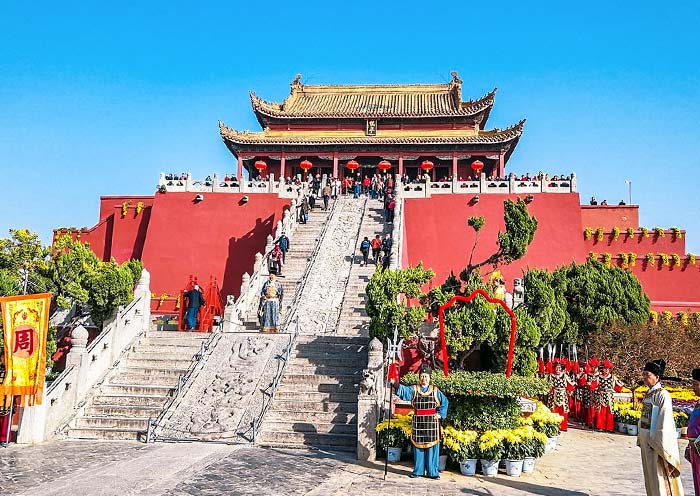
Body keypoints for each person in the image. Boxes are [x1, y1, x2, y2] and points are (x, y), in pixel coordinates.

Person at [392, 364, 448, 479]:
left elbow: (445, 402)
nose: (424, 379)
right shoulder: (414, 389)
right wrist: (395, 384)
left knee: (432, 449)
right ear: (419, 377)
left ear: (430, 377)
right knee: (418, 447)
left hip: (432, 424)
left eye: (426, 376)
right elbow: (404, 391)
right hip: (418, 423)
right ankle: (418, 471)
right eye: (422, 376)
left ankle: (433, 472)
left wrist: (440, 414)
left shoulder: (435, 390)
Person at [638, 359, 684, 496]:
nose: (645, 377)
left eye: (648, 375)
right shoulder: (649, 394)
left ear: (657, 377)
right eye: (644, 374)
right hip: (647, 442)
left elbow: (664, 421)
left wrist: (656, 442)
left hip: (656, 444)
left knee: (659, 478)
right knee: (650, 477)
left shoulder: (662, 395)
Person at [593, 359, 624, 431]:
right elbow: (593, 385)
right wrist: (596, 389)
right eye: (605, 369)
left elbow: (620, 384)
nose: (606, 370)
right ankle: (601, 426)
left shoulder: (613, 377)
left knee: (609, 411)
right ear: (602, 369)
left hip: (610, 396)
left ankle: (609, 427)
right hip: (601, 396)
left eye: (608, 369)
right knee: (601, 411)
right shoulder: (598, 377)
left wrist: (616, 389)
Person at [547, 359, 575, 431]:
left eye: (559, 368)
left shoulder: (565, 375)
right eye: (556, 367)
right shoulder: (551, 376)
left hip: (563, 394)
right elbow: (547, 385)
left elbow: (571, 383)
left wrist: (570, 391)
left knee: (563, 410)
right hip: (554, 394)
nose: (558, 369)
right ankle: (554, 426)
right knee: (553, 410)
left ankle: (563, 426)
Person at [686, 368, 700, 495]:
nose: (693, 387)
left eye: (695, 384)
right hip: (694, 450)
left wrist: (697, 444)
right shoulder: (698, 403)